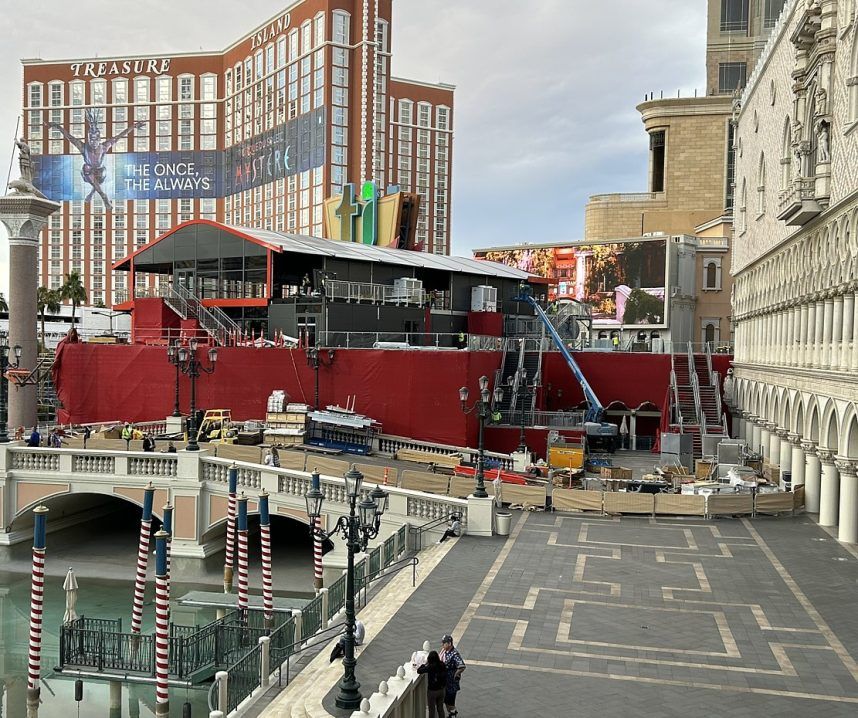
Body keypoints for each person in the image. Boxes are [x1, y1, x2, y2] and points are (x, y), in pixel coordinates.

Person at [439, 634, 465, 717]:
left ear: (449, 643)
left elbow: (462, 666)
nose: (442, 645)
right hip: (445, 682)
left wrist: (456, 674)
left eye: (444, 643)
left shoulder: (454, 654)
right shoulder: (444, 651)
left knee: (450, 702)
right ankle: (451, 713)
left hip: (451, 683)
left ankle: (453, 714)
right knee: (446, 700)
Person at [417, 650, 448, 718]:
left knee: (432, 710)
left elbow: (419, 671)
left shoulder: (430, 667)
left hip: (432, 691)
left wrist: (424, 664)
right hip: (442, 690)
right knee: (440, 708)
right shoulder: (442, 664)